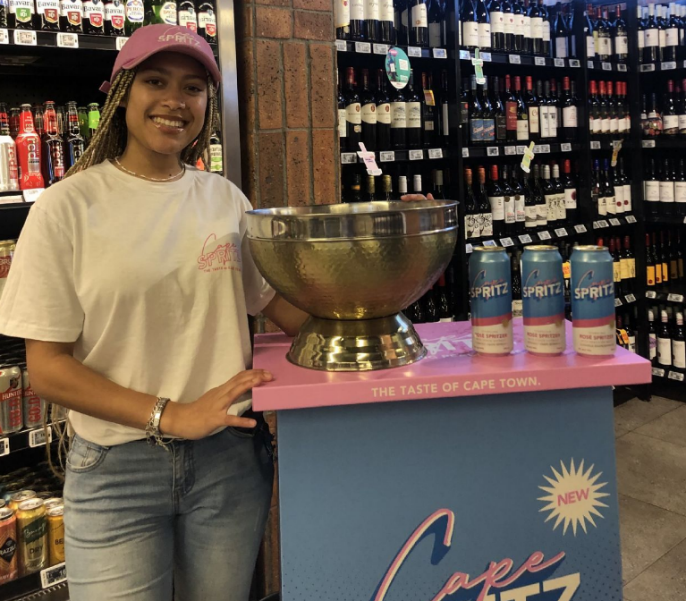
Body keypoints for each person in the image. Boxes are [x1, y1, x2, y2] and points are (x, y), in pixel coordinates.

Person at [0, 25, 308, 601]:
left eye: (193, 88)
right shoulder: (68, 207)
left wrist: (380, 279)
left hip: (229, 463)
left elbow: (282, 307)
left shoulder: (224, 199)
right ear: (121, 93)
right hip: (116, 470)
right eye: (155, 81)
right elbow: (46, 369)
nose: (175, 100)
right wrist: (172, 415)